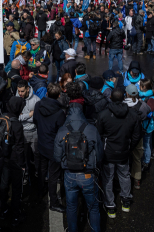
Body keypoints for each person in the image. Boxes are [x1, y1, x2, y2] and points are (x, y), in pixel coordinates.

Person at [54, 81, 104, 232]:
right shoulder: (91, 129)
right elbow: (100, 154)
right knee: (94, 207)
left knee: (71, 206)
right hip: (88, 174)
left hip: (69, 174)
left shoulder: (63, 130)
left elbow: (57, 157)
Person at [97, 88, 142, 217]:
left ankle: (110, 205)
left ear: (110, 98)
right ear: (123, 98)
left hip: (108, 153)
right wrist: (129, 147)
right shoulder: (133, 114)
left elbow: (99, 134)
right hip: (123, 151)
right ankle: (126, 201)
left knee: (108, 178)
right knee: (124, 175)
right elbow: (137, 135)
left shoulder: (103, 114)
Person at [33, 83, 66, 212]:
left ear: (46, 94)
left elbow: (35, 120)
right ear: (58, 96)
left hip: (41, 143)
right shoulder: (59, 113)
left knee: (42, 170)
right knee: (53, 175)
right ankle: (53, 201)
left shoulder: (38, 105)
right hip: (53, 147)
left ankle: (40, 192)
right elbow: (61, 131)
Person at [0, 96, 26, 225]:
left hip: (2, 158)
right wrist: (22, 165)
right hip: (14, 161)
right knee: (16, 188)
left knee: (3, 186)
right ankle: (15, 215)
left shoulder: (2, 118)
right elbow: (20, 147)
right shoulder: (17, 125)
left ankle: (2, 210)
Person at [16, 79, 40, 185]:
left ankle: (37, 173)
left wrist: (23, 117)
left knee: (36, 155)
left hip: (35, 132)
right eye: (18, 91)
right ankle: (25, 175)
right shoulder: (16, 100)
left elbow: (37, 117)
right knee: (24, 157)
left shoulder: (36, 100)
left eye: (22, 91)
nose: (20, 93)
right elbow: (17, 117)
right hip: (23, 133)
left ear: (27, 89)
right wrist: (30, 115)